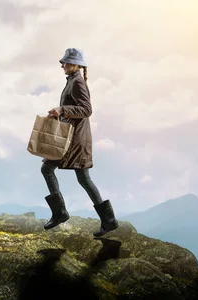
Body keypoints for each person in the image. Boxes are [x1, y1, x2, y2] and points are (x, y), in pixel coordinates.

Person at [41, 48, 119, 237]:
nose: (62, 65)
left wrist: (62, 109)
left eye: (66, 62)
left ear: (76, 64)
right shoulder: (73, 80)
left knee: (48, 169)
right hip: (73, 137)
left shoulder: (77, 82)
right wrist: (59, 112)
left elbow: (86, 109)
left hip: (75, 140)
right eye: (63, 62)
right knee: (83, 178)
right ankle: (108, 221)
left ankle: (60, 213)